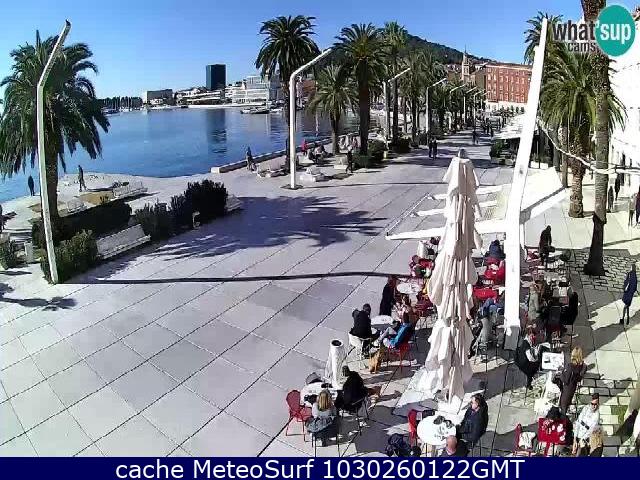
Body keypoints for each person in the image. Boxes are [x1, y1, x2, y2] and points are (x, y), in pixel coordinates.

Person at [558, 347, 587, 414]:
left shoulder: (570, 366)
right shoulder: (583, 366)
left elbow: (566, 380)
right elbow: (579, 378)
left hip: (567, 388)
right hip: (573, 386)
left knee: (563, 405)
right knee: (568, 401)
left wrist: (561, 373)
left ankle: (563, 416)